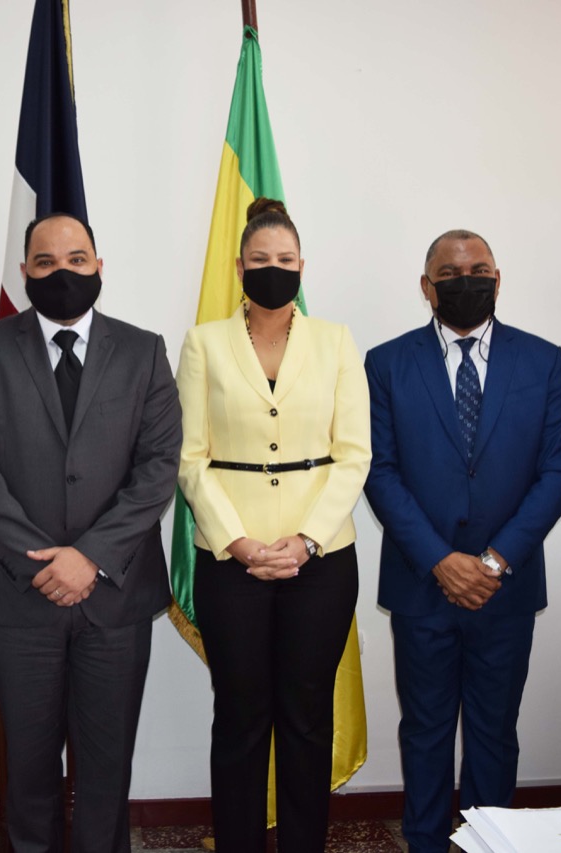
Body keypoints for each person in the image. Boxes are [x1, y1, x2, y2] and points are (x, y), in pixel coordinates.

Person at [0, 212, 180, 853]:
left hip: (116, 594)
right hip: (20, 595)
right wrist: (42, 563)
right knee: (28, 767)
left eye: (77, 260)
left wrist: (92, 558)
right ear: (24, 273)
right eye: (45, 263)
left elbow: (158, 467)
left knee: (107, 769)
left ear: (100, 266)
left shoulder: (143, 349)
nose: (62, 273)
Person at [364, 229, 561, 853]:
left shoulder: (542, 360)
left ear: (498, 277)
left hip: (503, 588)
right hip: (420, 583)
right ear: (427, 286)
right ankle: (426, 843)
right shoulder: (387, 362)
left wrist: (491, 561)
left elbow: (558, 472)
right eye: (449, 272)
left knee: (494, 731)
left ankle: (490, 844)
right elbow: (379, 470)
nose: (466, 280)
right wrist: (439, 561)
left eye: (478, 268)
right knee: (424, 730)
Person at [176, 198, 371, 852]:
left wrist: (307, 538)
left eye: (284, 260)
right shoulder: (204, 342)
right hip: (231, 561)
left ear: (301, 266)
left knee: (307, 720)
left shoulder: (336, 341)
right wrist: (238, 542)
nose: (273, 269)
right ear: (239, 267)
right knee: (240, 719)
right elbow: (190, 457)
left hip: (321, 561)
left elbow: (354, 454)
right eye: (260, 260)